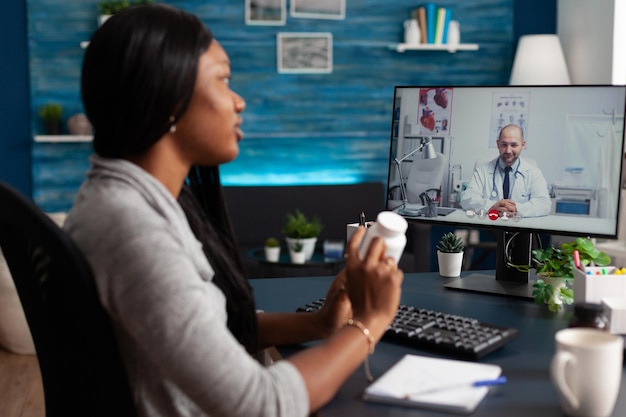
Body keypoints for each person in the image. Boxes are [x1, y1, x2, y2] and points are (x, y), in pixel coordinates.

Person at [63, 4, 403, 417]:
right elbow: (262, 404)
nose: (238, 101)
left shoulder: (130, 201)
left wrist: (319, 324)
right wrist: (370, 322)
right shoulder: (133, 230)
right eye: (223, 80)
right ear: (169, 98)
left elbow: (204, 335)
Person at [460, 124, 551, 218]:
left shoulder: (533, 172)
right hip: (490, 226)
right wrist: (491, 206)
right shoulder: (482, 171)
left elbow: (544, 204)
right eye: (504, 144)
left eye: (514, 145)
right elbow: (467, 199)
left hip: (521, 228)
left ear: (522, 145)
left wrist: (516, 209)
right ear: (498, 144)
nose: (508, 150)